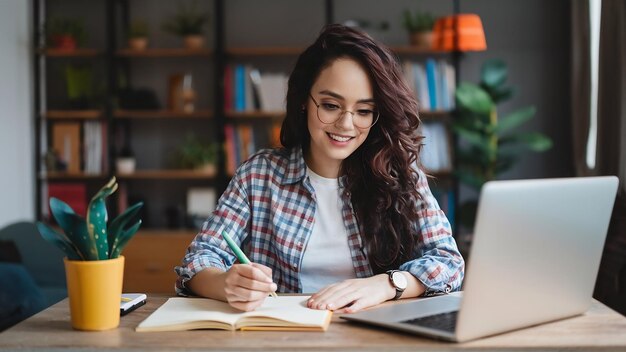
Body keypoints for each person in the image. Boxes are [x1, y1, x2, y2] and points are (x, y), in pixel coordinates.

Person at [175, 24, 464, 313]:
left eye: (363, 111)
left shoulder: (400, 173)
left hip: (374, 334)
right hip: (284, 335)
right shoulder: (259, 175)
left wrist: (386, 285)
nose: (346, 124)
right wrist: (225, 283)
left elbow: (448, 262)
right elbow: (199, 259)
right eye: (330, 105)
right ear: (304, 101)